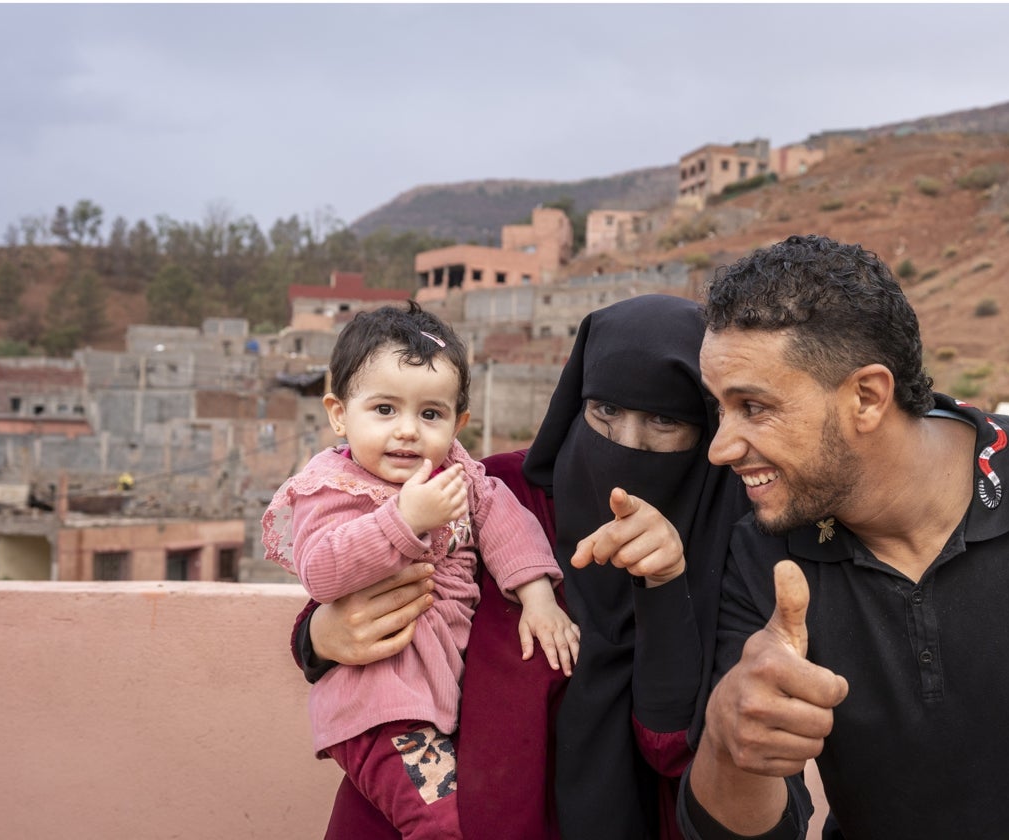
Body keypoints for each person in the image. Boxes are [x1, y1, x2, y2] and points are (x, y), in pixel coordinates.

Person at [678, 234, 1009, 839]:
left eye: (754, 407)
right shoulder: (761, 550)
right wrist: (728, 741)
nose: (720, 447)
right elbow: (752, 830)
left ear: (867, 397)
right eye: (720, 408)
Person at [293, 294, 749, 839]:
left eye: (663, 420)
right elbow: (349, 566)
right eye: (605, 411)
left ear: (705, 428)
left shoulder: (728, 550)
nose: (628, 444)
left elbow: (674, 747)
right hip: (425, 815)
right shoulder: (495, 491)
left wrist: (665, 586)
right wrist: (317, 637)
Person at [263, 302, 579, 839]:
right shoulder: (334, 487)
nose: (407, 431)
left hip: (439, 702)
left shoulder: (460, 476)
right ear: (340, 414)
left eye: (430, 415)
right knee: (444, 824)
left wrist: (539, 598)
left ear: (458, 425)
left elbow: (508, 523)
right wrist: (405, 519)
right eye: (384, 410)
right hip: (382, 711)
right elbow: (322, 570)